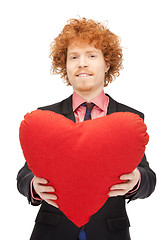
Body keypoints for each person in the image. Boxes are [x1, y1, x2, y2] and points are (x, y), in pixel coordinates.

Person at [17, 17, 156, 240]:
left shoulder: (129, 119)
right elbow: (25, 174)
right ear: (65, 66)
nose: (82, 63)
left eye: (91, 55)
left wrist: (137, 179)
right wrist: (33, 185)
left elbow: (149, 177)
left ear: (107, 64)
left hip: (110, 232)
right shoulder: (44, 118)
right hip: (51, 232)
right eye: (74, 57)